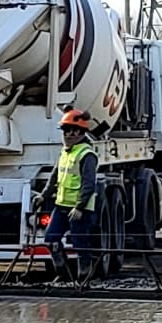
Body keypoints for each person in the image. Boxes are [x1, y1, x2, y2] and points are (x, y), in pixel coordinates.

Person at [39, 109, 100, 280]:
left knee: (80, 244)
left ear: (81, 133)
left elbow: (89, 184)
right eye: (66, 130)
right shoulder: (65, 152)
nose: (69, 134)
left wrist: (79, 207)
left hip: (79, 209)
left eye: (74, 131)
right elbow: (54, 177)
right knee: (51, 239)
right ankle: (63, 274)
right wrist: (43, 195)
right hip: (61, 206)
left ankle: (84, 277)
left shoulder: (87, 154)